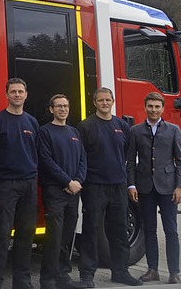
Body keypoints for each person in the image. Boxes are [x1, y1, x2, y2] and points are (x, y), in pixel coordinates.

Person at [77, 87, 142, 287]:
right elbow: (81, 157)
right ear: (94, 103)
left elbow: (127, 156)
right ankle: (87, 275)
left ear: (113, 101)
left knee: (119, 230)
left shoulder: (122, 126)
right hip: (94, 187)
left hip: (118, 186)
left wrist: (127, 183)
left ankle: (120, 272)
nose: (105, 103)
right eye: (101, 100)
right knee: (91, 231)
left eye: (108, 100)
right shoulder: (85, 127)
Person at [0, 77, 39, 289]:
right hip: (5, 186)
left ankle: (22, 282)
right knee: (2, 237)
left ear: (26, 94)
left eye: (20, 91)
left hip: (29, 184)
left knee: (25, 236)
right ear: (6, 95)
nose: (17, 95)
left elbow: (36, 152)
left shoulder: (32, 122)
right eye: (13, 91)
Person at [127, 92, 181, 284]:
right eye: (150, 106)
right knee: (149, 230)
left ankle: (174, 272)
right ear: (145, 107)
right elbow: (129, 162)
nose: (153, 110)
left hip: (168, 187)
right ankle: (152, 270)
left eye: (157, 106)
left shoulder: (173, 130)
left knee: (171, 230)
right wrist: (132, 184)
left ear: (162, 108)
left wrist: (180, 186)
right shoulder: (135, 131)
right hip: (144, 188)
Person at [37, 94, 87, 289]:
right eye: (58, 106)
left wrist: (78, 181)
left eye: (65, 106)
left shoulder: (74, 132)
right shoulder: (44, 132)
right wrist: (67, 181)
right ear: (51, 109)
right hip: (55, 192)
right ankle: (47, 280)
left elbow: (83, 160)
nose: (63, 109)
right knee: (54, 237)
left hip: (73, 192)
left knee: (67, 236)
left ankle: (63, 277)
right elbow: (46, 161)